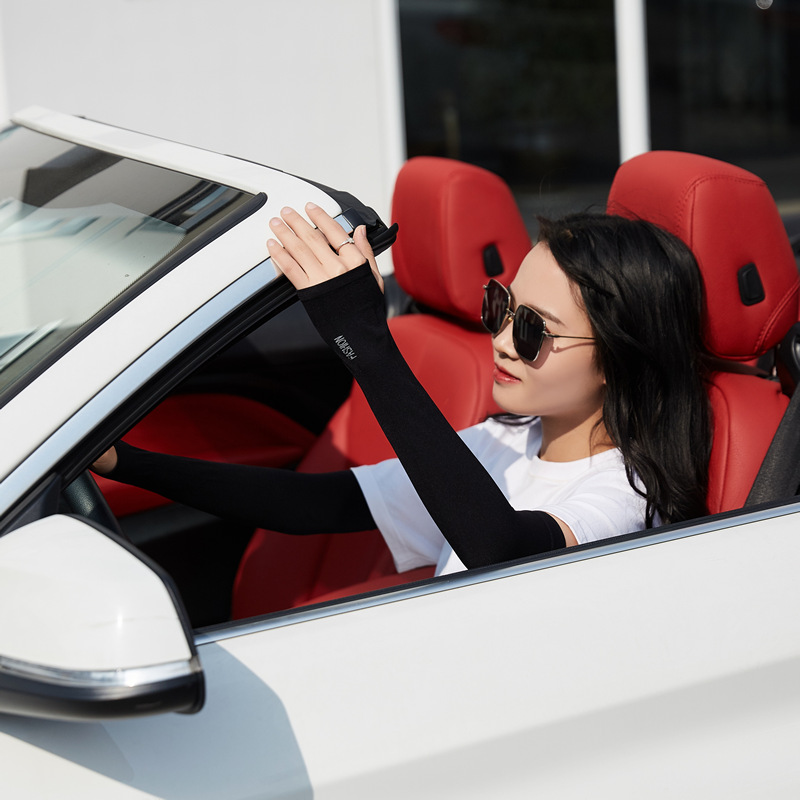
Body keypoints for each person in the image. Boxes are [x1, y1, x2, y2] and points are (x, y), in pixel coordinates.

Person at [92, 203, 711, 577]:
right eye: (501, 306)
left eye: (531, 329)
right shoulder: (507, 441)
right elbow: (323, 505)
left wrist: (366, 343)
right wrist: (128, 463)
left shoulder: (624, 499)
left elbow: (504, 553)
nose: (499, 340)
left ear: (619, 361)